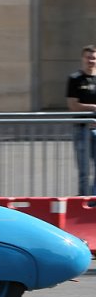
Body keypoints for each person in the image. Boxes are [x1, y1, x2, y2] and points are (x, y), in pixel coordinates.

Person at [66, 44, 96, 196]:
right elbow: (72, 105)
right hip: (82, 129)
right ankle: (82, 202)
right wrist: (93, 108)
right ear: (82, 59)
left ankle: (93, 201)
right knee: (84, 172)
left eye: (94, 58)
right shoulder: (75, 79)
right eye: (88, 57)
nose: (91, 61)